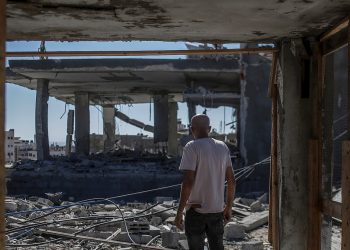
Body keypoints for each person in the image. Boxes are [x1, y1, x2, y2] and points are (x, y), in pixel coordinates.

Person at [174, 114, 236, 250]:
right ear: (210, 128)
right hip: (217, 211)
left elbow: (188, 182)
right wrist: (229, 207)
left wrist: (179, 212)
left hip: (196, 210)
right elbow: (231, 181)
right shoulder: (222, 147)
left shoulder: (192, 147)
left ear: (191, 129)